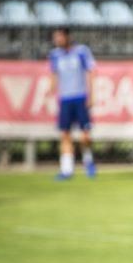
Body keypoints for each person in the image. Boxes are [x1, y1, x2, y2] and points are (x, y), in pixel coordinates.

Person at [49, 26, 96, 181]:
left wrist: (91, 94)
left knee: (85, 136)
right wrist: (50, 92)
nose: (57, 40)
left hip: (80, 97)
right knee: (65, 134)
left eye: (59, 37)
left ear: (67, 37)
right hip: (65, 99)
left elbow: (90, 72)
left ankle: (88, 160)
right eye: (55, 37)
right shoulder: (55, 55)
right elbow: (54, 76)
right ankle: (66, 169)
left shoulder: (81, 51)